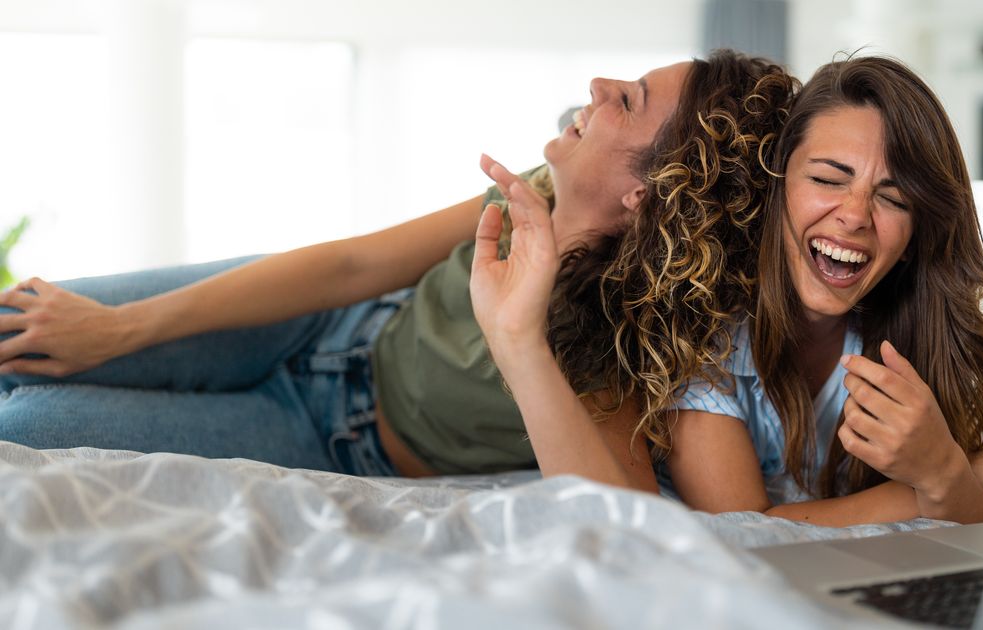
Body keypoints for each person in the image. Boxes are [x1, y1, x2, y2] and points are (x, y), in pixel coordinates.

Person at [0, 50, 798, 486]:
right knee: (14, 328)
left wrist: (523, 336)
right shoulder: (537, 188)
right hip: (318, 325)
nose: (597, 84)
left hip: (337, 439)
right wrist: (117, 329)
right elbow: (354, 264)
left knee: (23, 429)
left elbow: (624, 512)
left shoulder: (624, 350)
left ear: (646, 193)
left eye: (629, 100)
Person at [472, 55, 983, 527]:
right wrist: (952, 473)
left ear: (914, 235)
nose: (856, 215)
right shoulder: (699, 334)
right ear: (776, 188)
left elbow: (980, 533)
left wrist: (944, 475)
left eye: (894, 198)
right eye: (827, 179)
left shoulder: (910, 338)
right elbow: (745, 531)